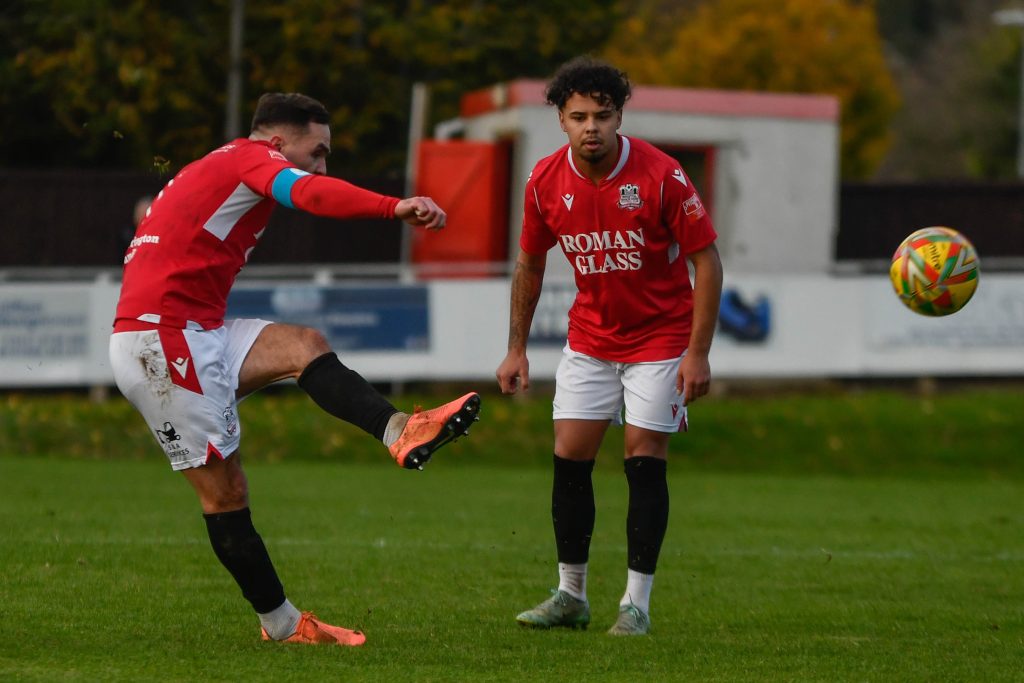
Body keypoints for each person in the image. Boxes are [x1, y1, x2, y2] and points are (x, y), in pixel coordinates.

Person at [109, 92, 481, 647]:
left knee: (302, 345)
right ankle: (282, 626)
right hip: (162, 344)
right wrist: (394, 207)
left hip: (194, 330)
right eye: (319, 151)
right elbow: (307, 193)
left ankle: (401, 430)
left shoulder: (225, 161)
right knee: (226, 494)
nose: (322, 165)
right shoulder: (254, 158)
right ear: (279, 142)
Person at [495, 57, 722, 636]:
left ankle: (635, 606)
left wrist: (697, 353)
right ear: (561, 120)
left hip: (662, 339)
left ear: (619, 116)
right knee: (569, 458)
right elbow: (529, 264)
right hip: (591, 339)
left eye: (602, 115)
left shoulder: (662, 175)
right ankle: (571, 596)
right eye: (578, 117)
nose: (590, 127)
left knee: (642, 460)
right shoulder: (543, 181)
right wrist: (516, 348)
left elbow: (707, 261)